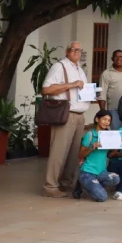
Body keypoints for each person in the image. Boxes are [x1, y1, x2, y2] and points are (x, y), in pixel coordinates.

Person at [40, 42, 91, 198]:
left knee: (74, 152)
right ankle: (50, 186)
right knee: (59, 151)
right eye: (74, 50)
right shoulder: (59, 67)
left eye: (79, 50)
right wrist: (72, 85)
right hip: (65, 113)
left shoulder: (79, 69)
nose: (77, 53)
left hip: (80, 114)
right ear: (67, 51)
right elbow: (46, 89)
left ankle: (66, 183)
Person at [73, 110, 122, 201]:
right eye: (104, 119)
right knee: (102, 197)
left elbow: (110, 155)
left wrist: (119, 145)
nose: (106, 122)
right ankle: (83, 185)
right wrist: (92, 148)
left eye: (109, 120)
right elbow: (80, 155)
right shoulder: (90, 135)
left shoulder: (108, 136)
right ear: (97, 119)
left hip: (101, 172)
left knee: (116, 178)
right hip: (88, 172)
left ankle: (92, 185)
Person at [98, 49, 122, 129]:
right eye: (116, 57)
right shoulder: (106, 74)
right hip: (114, 109)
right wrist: (103, 112)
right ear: (112, 59)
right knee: (116, 133)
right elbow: (102, 94)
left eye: (121, 56)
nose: (119, 58)